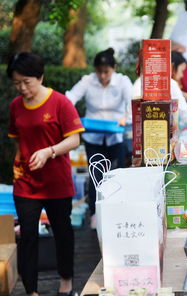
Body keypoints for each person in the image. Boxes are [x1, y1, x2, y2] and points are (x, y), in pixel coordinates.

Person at [7, 52, 84, 296]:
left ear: (40, 76)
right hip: (26, 182)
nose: (23, 89)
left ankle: (65, 277)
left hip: (56, 182)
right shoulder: (16, 105)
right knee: (27, 236)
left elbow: (73, 140)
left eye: (27, 82)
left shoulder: (60, 103)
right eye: (17, 83)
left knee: (62, 231)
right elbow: (18, 139)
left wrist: (49, 151)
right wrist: (19, 159)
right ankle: (32, 294)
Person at [66, 48, 132, 228]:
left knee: (117, 174)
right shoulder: (88, 81)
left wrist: (126, 117)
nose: (102, 76)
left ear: (114, 68)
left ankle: (118, 212)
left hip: (115, 135)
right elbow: (69, 98)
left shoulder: (123, 82)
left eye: (106, 72)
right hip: (93, 136)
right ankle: (95, 214)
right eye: (99, 72)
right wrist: (68, 115)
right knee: (96, 175)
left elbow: (132, 104)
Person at [132, 51, 187, 146]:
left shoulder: (140, 81)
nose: (181, 75)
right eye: (181, 70)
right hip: (157, 140)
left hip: (138, 138)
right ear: (172, 67)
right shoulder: (169, 83)